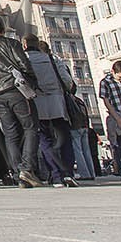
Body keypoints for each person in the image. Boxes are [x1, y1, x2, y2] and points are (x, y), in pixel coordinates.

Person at [0, 16, 43, 188]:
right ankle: (26, 168)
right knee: (31, 127)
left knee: (10, 134)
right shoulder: (12, 44)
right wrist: (32, 84)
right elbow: (24, 65)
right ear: (3, 28)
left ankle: (19, 171)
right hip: (16, 90)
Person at [23, 35, 77, 188]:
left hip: (36, 103)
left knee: (44, 140)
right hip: (57, 102)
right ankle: (68, 173)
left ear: (25, 45)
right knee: (64, 138)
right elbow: (67, 81)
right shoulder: (53, 59)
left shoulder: (24, 60)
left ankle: (56, 174)